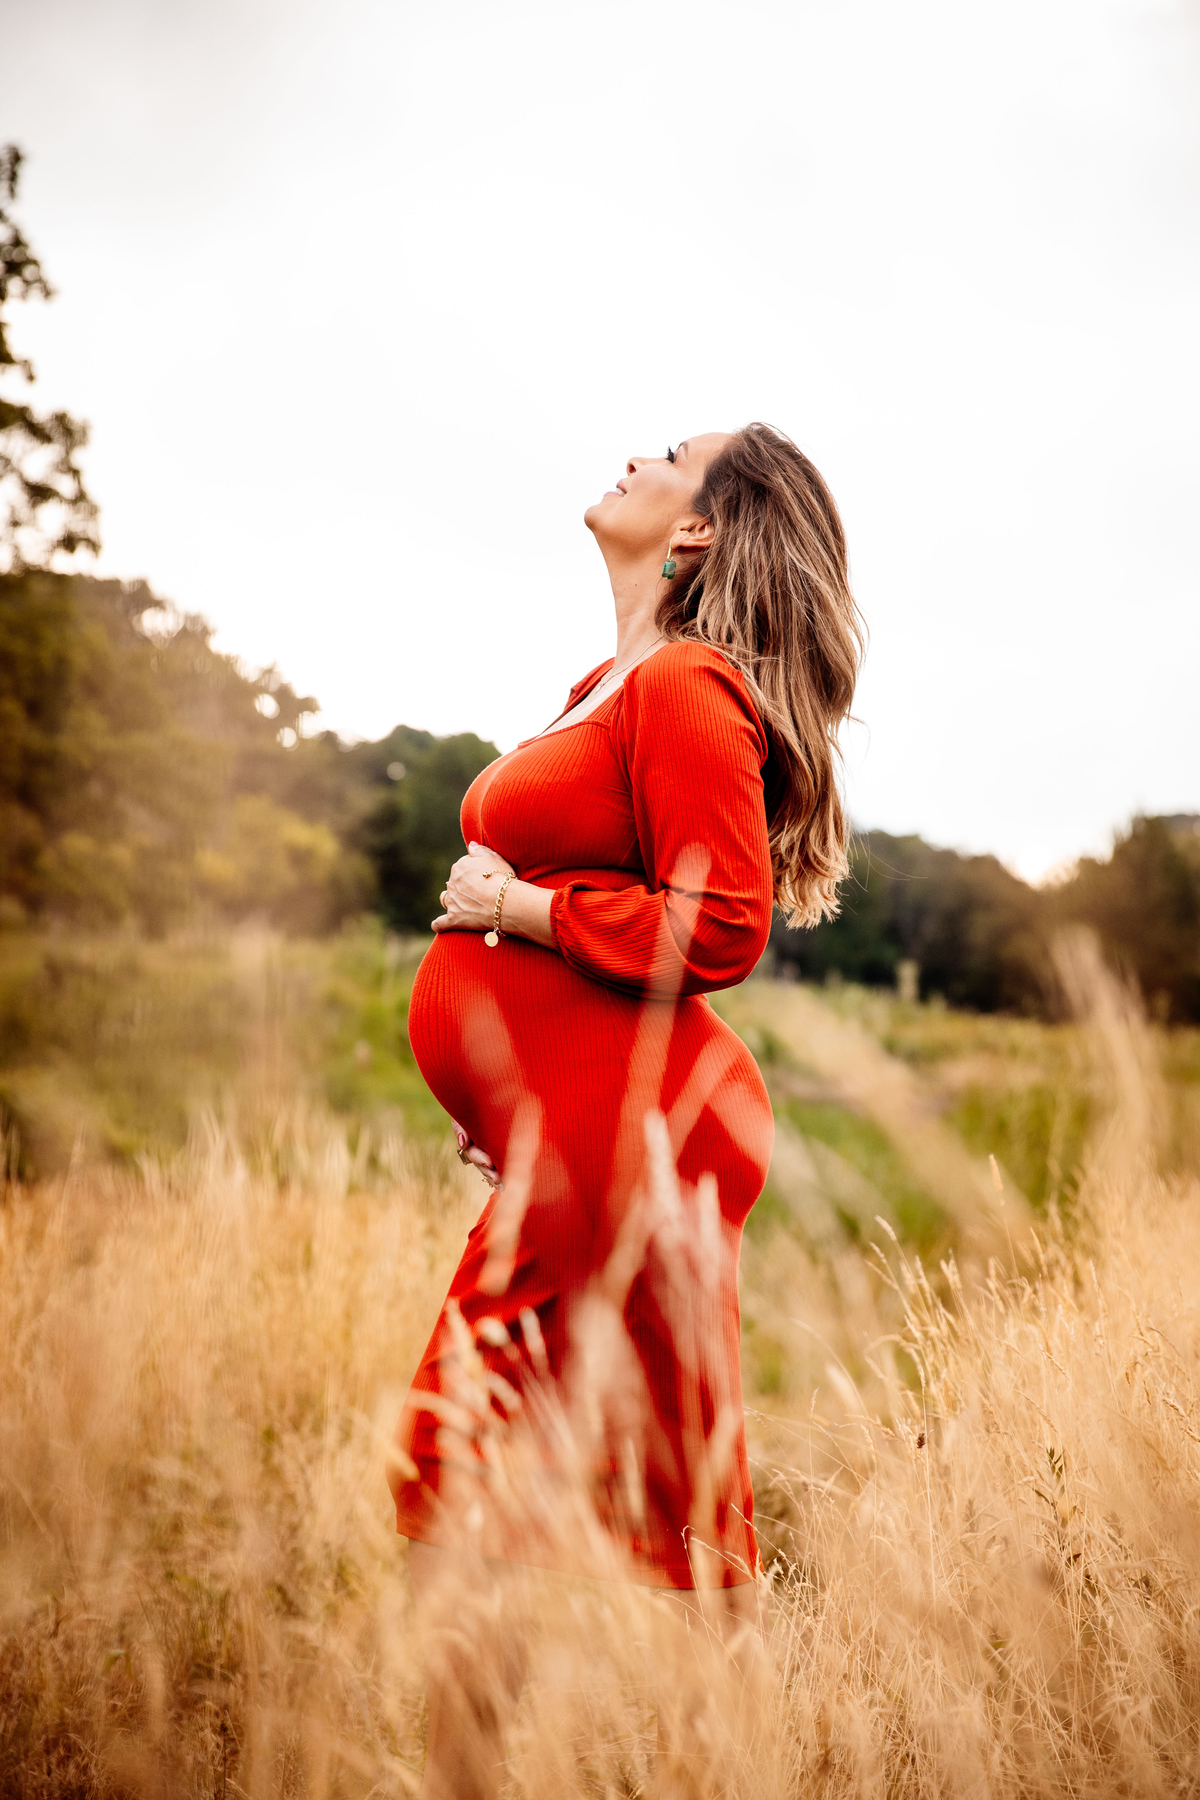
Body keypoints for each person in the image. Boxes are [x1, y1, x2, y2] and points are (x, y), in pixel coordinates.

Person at [389, 423, 863, 1798]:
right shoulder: (618, 679)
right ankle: (756, 1769)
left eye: (665, 452)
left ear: (703, 528)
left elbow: (716, 924)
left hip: (634, 1138)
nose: (629, 456)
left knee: (462, 1469)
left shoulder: (692, 686)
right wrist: (512, 1082)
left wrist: (518, 907)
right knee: (671, 1511)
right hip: (595, 1132)